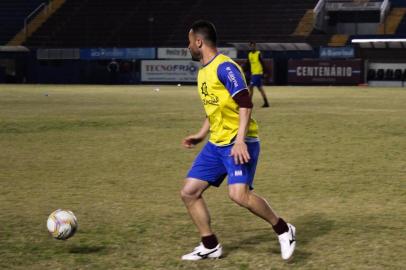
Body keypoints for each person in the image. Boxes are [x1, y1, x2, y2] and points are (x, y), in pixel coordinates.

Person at [180, 20, 296, 261]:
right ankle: (210, 244)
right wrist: (201, 134)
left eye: (189, 42)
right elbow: (214, 109)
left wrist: (240, 141)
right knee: (189, 192)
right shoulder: (203, 72)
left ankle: (284, 229)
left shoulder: (226, 67)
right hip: (216, 143)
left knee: (238, 195)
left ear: (199, 42)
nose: (188, 46)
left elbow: (245, 103)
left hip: (240, 142)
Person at [247, 41, 270, 107]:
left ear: (255, 46)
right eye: (251, 46)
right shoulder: (249, 54)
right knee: (260, 89)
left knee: (250, 87)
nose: (252, 47)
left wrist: (265, 72)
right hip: (253, 73)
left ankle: (249, 103)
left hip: (257, 73)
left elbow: (263, 63)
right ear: (250, 46)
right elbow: (249, 64)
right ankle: (266, 102)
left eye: (253, 45)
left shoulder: (258, 53)